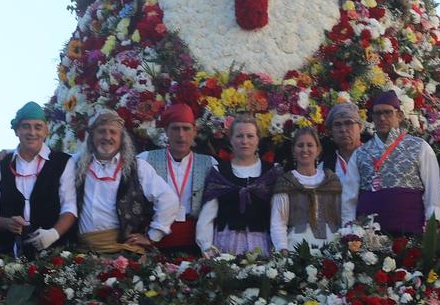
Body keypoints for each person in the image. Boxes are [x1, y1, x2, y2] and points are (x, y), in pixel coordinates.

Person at [64, 109, 179, 254]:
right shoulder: (75, 164)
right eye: (101, 131)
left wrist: (152, 236)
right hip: (83, 251)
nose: (107, 137)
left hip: (124, 253)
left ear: (121, 137)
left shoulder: (138, 167)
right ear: (92, 135)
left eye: (113, 132)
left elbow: (169, 200)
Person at [0, 102, 75, 259]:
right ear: (17, 131)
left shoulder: (63, 162)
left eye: (38, 127)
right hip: (8, 257)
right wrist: (6, 223)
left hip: (54, 256)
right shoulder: (0, 164)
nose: (32, 132)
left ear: (46, 130)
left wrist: (54, 234)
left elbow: (69, 207)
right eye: (26, 126)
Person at [350, 91, 440, 235]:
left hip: (409, 231)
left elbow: (433, 188)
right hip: (369, 237)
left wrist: (433, 221)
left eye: (388, 113)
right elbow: (349, 196)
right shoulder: (360, 153)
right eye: (377, 113)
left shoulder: (419, 146)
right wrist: (349, 227)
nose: (382, 118)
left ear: (399, 115)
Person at [196, 117, 280, 257]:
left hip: (260, 243)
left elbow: (278, 216)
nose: (244, 141)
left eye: (250, 136)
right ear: (231, 139)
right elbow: (207, 215)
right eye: (239, 136)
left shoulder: (271, 172)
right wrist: (206, 247)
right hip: (225, 244)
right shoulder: (219, 172)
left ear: (258, 139)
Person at [140, 103, 215, 254]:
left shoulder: (210, 164)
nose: (181, 135)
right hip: (155, 241)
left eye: (186, 128)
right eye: (175, 128)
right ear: (166, 131)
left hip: (194, 241)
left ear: (194, 131)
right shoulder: (145, 160)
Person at [271, 126, 347, 251]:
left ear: (318, 150)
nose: (305, 149)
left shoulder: (331, 181)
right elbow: (278, 222)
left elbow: (342, 216)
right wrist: (282, 249)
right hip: (296, 249)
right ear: (294, 150)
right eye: (300, 145)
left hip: (330, 249)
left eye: (310, 145)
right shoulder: (286, 182)